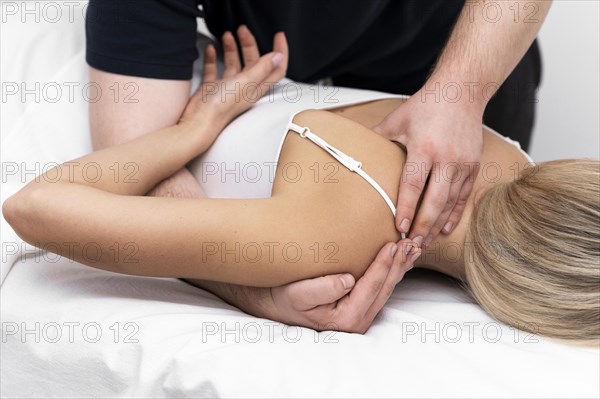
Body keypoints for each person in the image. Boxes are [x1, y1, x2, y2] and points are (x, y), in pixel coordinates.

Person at [4, 31, 598, 342]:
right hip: (111, 99)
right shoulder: (335, 233)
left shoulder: (509, 158)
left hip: (231, 73)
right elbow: (32, 204)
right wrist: (190, 133)